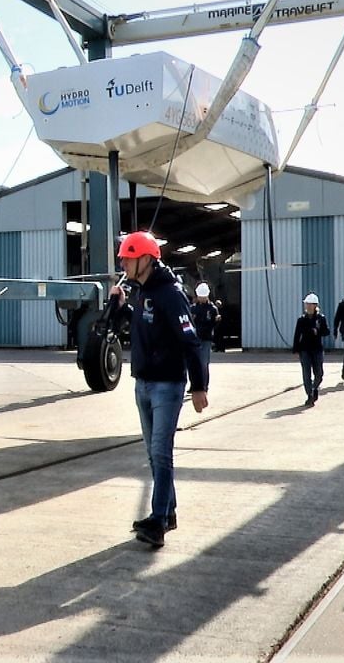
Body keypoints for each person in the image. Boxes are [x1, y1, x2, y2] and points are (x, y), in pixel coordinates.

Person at [110, 231, 209, 549]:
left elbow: (190, 340)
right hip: (143, 383)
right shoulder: (140, 292)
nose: (123, 263)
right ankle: (167, 513)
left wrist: (199, 386)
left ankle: (157, 521)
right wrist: (121, 307)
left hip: (167, 385)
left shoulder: (170, 293)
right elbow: (136, 327)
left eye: (128, 257)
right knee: (153, 455)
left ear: (146, 259)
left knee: (161, 453)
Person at [291, 293, 330, 407]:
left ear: (315, 305)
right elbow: (297, 335)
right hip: (305, 350)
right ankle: (310, 395)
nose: (307, 306)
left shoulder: (320, 318)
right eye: (306, 304)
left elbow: (326, 332)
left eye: (310, 304)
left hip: (317, 349)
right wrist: (295, 349)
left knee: (319, 374)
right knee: (306, 373)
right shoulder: (301, 320)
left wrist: (318, 331)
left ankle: (314, 388)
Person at [190, 282, 220, 376]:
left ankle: (204, 386)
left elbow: (214, 325)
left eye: (203, 297)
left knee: (203, 364)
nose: (201, 299)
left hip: (206, 339)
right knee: (194, 363)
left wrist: (216, 321)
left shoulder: (212, 309)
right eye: (200, 296)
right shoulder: (193, 309)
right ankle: (195, 386)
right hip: (195, 339)